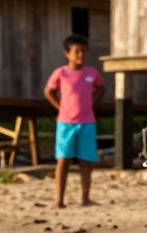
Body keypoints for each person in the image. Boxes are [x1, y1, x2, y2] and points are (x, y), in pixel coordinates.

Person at [44, 35, 104, 208]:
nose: (80, 55)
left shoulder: (91, 73)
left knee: (86, 161)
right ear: (67, 54)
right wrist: (60, 107)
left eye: (83, 51)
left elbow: (101, 88)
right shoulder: (61, 73)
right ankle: (59, 200)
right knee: (63, 160)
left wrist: (92, 103)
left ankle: (85, 198)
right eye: (76, 51)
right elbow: (49, 91)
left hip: (87, 123)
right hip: (66, 123)